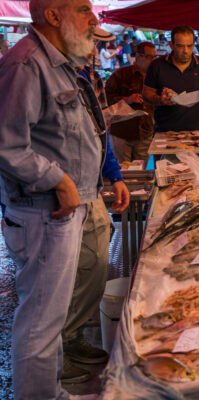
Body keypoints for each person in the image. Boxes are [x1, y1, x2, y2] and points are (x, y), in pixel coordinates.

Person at [0, 0, 108, 399]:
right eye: (84, 10)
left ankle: (50, 391)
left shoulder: (57, 61)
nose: (92, 19)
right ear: (53, 15)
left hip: (62, 210)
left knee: (53, 315)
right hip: (43, 211)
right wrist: (58, 179)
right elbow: (7, 144)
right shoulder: (25, 64)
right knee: (41, 321)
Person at [65, 56, 129, 385]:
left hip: (90, 191)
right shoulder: (28, 72)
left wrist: (114, 175)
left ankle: (73, 338)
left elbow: (98, 133)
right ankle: (55, 366)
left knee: (94, 269)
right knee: (57, 283)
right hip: (56, 201)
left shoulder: (82, 79)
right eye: (83, 17)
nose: (93, 43)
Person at [143, 25, 199, 132]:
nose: (186, 51)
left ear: (194, 44)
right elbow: (146, 95)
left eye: (189, 46)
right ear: (171, 45)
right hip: (165, 131)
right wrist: (161, 100)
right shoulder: (157, 65)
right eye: (180, 46)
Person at [105, 41, 157, 162]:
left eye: (155, 57)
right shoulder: (121, 74)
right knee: (124, 172)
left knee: (142, 173)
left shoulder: (155, 77)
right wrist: (127, 100)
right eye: (150, 57)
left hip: (145, 133)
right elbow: (106, 99)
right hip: (122, 134)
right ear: (138, 56)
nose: (153, 60)